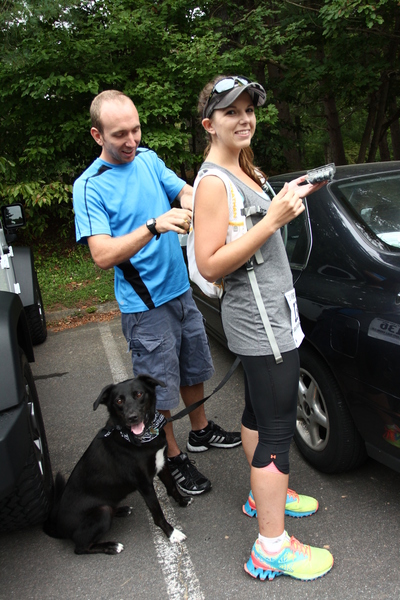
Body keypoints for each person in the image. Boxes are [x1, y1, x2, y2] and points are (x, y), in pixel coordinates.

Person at [193, 75, 334, 580]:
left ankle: (264, 497)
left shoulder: (243, 167)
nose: (244, 118)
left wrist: (287, 200)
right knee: (277, 430)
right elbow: (209, 264)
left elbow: (252, 230)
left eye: (249, 109)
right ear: (209, 124)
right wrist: (272, 220)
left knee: (257, 411)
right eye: (231, 112)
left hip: (273, 313)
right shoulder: (214, 182)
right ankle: (271, 547)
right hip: (261, 323)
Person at [72, 89, 241, 496]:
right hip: (145, 307)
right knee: (157, 389)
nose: (131, 141)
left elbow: (187, 192)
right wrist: (153, 226)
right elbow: (102, 254)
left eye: (136, 130)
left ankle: (200, 431)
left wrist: (215, 199)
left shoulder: (147, 159)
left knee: (194, 369)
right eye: (119, 135)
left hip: (181, 291)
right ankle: (172, 454)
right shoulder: (89, 186)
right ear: (97, 135)